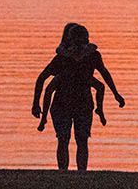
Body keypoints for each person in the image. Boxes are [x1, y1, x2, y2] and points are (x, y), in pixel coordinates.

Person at [30, 23, 124, 171]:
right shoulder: (69, 58)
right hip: (69, 104)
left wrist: (116, 94)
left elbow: (42, 80)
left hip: (77, 104)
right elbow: (43, 80)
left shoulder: (83, 57)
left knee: (72, 140)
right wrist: (36, 104)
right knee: (71, 140)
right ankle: (73, 173)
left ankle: (73, 173)